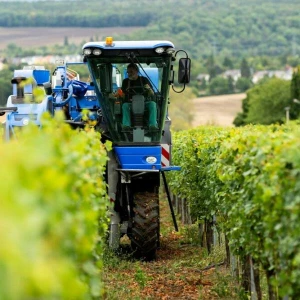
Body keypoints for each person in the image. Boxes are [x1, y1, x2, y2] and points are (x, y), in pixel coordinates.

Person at [118, 63, 158, 130]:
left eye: (131, 72)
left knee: (152, 104)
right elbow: (123, 94)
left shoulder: (144, 80)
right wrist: (118, 94)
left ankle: (152, 125)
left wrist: (149, 89)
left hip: (144, 102)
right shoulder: (125, 82)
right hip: (130, 103)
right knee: (125, 105)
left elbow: (151, 92)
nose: (129, 74)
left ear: (136, 71)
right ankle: (126, 125)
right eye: (128, 72)